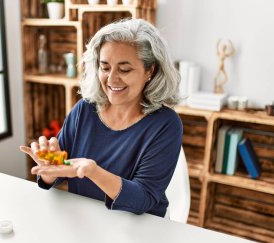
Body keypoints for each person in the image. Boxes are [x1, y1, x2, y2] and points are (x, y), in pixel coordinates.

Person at [20, 18, 182, 217]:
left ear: (150, 70)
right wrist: (48, 167)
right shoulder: (84, 110)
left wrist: (92, 171)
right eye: (105, 67)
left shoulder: (165, 124)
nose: (112, 79)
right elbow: (62, 169)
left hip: (139, 228)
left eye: (124, 69)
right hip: (87, 221)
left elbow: (144, 198)